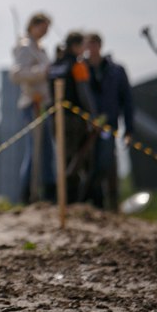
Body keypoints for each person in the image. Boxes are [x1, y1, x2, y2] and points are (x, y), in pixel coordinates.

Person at [82, 32, 133, 211]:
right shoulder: (80, 68)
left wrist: (129, 128)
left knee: (106, 163)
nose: (91, 48)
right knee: (86, 166)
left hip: (109, 125)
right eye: (88, 44)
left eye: (94, 44)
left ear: (100, 45)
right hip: (85, 127)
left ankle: (108, 204)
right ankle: (91, 203)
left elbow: (127, 99)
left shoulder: (116, 70)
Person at [11, 11, 55, 203]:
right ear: (34, 25)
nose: (46, 31)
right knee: (33, 150)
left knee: (46, 150)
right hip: (32, 103)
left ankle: (46, 192)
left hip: (43, 103)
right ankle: (26, 194)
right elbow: (16, 74)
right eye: (43, 27)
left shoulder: (40, 48)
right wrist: (41, 72)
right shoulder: (25, 47)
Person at [47, 31, 96, 204]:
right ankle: (73, 201)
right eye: (82, 45)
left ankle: (63, 199)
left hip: (56, 118)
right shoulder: (78, 65)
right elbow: (84, 94)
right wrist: (93, 116)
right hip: (75, 120)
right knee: (77, 159)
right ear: (75, 46)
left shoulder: (54, 65)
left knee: (62, 158)